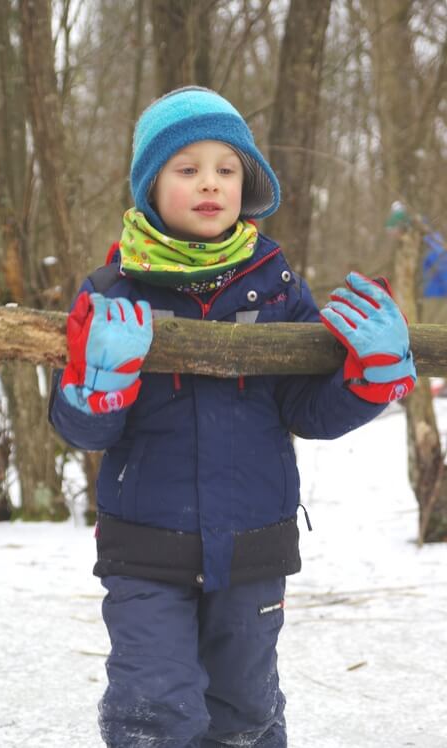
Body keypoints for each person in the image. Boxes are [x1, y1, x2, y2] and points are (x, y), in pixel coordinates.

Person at [49, 86, 413, 746]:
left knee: (245, 710)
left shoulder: (275, 285)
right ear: (150, 186)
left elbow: (307, 409)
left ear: (246, 183)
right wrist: (98, 383)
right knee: (153, 707)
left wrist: (372, 380)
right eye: (187, 169)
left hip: (253, 546)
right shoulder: (110, 292)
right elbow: (82, 430)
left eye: (227, 168)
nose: (210, 183)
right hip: (144, 548)